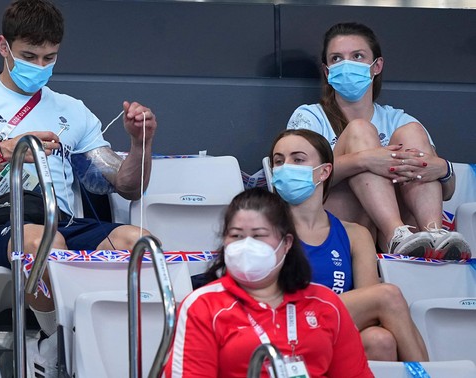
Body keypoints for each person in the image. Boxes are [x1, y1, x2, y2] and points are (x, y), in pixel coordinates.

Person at [0, 0, 156, 376]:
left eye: (48, 58)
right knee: (43, 242)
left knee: (141, 241)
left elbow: (126, 186)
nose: (39, 67)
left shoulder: (74, 110)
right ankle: (57, 349)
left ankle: (133, 356)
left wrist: (139, 144)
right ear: (4, 47)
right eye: (28, 56)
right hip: (1, 229)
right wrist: (7, 151)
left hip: (66, 223)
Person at [286, 22, 470, 260]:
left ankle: (434, 236)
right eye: (337, 58)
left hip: (406, 231)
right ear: (327, 70)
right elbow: (296, 182)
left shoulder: (399, 119)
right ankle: (396, 234)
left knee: (411, 132)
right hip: (338, 227)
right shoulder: (309, 116)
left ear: (377, 66)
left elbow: (447, 190)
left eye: (357, 56)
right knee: (360, 130)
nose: (347, 64)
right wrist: (362, 160)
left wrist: (444, 168)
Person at [164, 188, 373, 378]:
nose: (246, 245)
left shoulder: (326, 303)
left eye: (259, 236)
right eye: (236, 235)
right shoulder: (203, 306)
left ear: (287, 243)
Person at [269, 128, 428, 362]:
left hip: (334, 328)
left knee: (379, 340)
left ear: (324, 172)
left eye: (298, 159)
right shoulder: (266, 230)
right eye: (279, 161)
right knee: (388, 295)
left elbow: (371, 312)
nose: (286, 167)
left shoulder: (355, 235)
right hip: (282, 324)